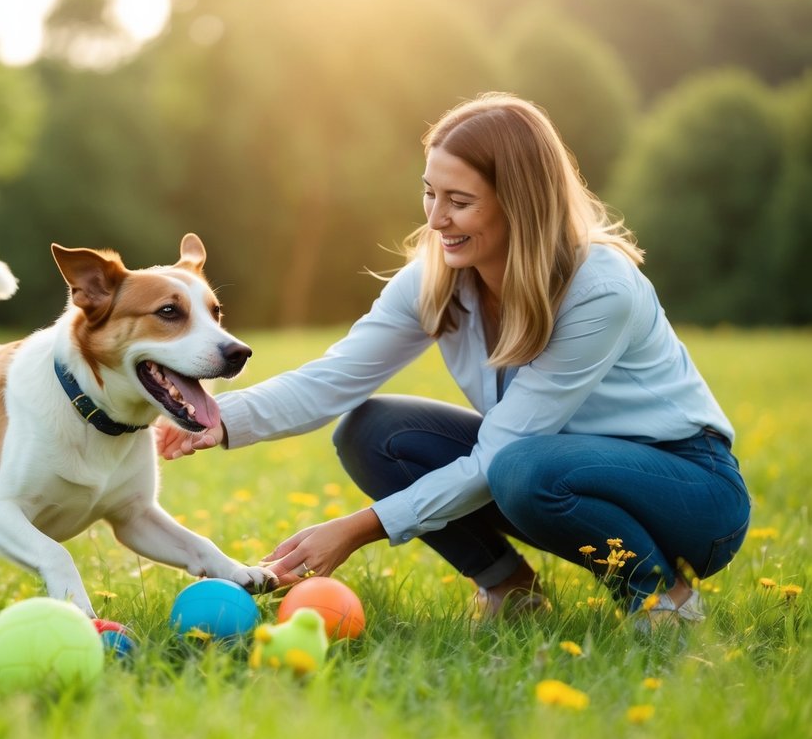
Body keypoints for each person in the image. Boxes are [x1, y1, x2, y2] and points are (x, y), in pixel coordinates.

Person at [156, 92, 751, 627]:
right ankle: (509, 591)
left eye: (459, 202)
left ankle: (662, 600)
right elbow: (333, 379)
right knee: (373, 431)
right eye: (429, 192)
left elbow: (501, 456)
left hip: (690, 492)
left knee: (523, 467)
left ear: (519, 204)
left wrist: (360, 528)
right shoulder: (438, 278)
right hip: (543, 465)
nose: (435, 218)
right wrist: (214, 419)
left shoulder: (599, 289)